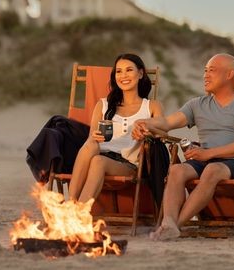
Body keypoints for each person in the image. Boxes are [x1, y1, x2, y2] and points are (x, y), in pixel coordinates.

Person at [132, 53, 234, 241]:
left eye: (212, 70)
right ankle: (168, 222)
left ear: (229, 74)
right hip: (205, 159)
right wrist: (144, 123)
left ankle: (174, 226)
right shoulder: (197, 104)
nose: (205, 75)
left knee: (212, 169)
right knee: (177, 170)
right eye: (205, 71)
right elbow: (167, 123)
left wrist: (208, 153)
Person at [68, 53, 164, 204]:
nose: (123, 75)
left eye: (129, 70)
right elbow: (91, 138)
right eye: (119, 71)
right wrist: (95, 136)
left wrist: (147, 130)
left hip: (128, 163)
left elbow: (162, 133)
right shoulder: (103, 104)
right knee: (91, 146)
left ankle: (75, 212)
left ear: (140, 73)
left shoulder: (151, 106)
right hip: (98, 155)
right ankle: (71, 204)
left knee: (99, 161)